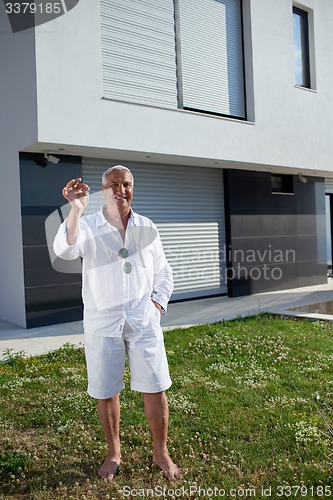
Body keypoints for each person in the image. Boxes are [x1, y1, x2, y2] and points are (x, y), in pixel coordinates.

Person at [53, 165, 181, 481]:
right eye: (113, 185)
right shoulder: (89, 225)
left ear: (132, 188)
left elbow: (163, 271)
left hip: (143, 320)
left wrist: (157, 304)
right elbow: (65, 249)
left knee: (156, 386)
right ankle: (113, 453)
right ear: (103, 190)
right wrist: (75, 210)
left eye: (125, 184)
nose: (120, 190)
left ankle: (160, 452)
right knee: (107, 390)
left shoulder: (147, 226)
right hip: (102, 323)